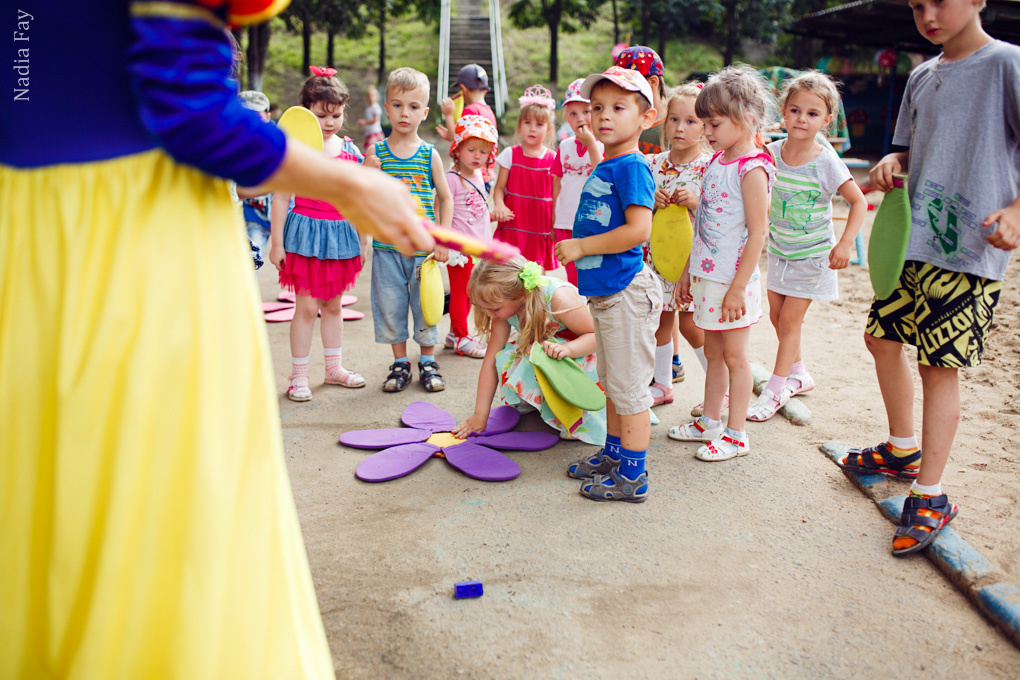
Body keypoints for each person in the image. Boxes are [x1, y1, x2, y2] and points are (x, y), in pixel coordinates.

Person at [0, 1, 430, 676]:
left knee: (50, 483)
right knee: (161, 495)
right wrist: (350, 183)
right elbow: (187, 112)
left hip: (34, 228)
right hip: (135, 230)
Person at [839, 0, 1020, 556]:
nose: (928, 14)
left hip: (970, 247)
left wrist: (1016, 211)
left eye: (940, 0)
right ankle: (901, 449)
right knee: (880, 338)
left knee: (938, 366)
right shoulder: (921, 76)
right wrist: (890, 165)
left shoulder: (1007, 64)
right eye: (918, 4)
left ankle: (931, 493)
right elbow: (905, 152)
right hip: (911, 241)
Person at [555, 66, 663, 502]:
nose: (603, 116)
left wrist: (582, 247)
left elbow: (639, 230)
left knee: (630, 389)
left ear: (645, 118)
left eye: (619, 108)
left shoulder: (632, 166)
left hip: (626, 293)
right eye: (597, 107)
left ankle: (633, 476)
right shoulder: (610, 163)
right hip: (607, 294)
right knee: (615, 383)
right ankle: (615, 454)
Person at [666, 65, 776, 462]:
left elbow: (758, 233)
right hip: (707, 278)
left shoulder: (752, 168)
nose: (706, 131)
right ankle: (710, 421)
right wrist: (686, 273)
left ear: (745, 118)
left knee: (735, 357)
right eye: (706, 123)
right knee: (713, 353)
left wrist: (737, 288)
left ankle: (736, 434)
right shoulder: (717, 161)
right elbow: (702, 225)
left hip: (733, 283)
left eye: (714, 123)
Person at [748, 71, 867, 421]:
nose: (802, 119)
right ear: (783, 112)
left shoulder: (825, 160)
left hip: (813, 256)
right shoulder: (769, 153)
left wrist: (845, 243)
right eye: (795, 110)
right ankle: (799, 373)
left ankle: (775, 389)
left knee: (789, 321)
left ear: (826, 120)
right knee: (776, 317)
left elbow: (858, 201)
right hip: (780, 252)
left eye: (813, 113)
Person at [269, 67, 367, 400]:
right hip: (305, 237)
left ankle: (334, 369)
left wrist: (362, 242)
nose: (329, 122)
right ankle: (298, 375)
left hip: (340, 237)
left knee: (334, 306)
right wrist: (277, 243)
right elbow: (281, 197)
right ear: (306, 111)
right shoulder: (297, 150)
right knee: (307, 308)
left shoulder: (351, 151)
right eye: (321, 115)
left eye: (336, 115)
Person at [365, 67, 454, 393]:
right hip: (387, 249)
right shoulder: (377, 153)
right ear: (386, 108)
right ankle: (400, 363)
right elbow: (363, 195)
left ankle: (428, 362)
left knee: (426, 307)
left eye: (413, 106)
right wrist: (366, 171)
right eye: (398, 105)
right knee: (390, 307)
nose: (405, 113)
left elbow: (446, 198)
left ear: (425, 112)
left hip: (423, 252)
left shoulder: (429, 155)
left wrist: (443, 239)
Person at [452, 257, 607, 445]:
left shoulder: (558, 299)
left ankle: (575, 416)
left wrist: (567, 349)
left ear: (520, 294)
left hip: (584, 350)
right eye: (485, 308)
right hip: (552, 347)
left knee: (540, 355)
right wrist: (479, 415)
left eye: (494, 309)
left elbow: (597, 337)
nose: (489, 314)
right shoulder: (504, 307)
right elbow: (490, 361)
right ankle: (540, 402)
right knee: (506, 357)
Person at [644, 83, 712, 407]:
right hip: (657, 257)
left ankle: (720, 384)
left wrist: (696, 202)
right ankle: (662, 384)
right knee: (659, 319)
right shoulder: (652, 164)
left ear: (705, 126)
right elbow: (638, 209)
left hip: (691, 262)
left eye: (690, 121)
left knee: (690, 325)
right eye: (674, 119)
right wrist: (651, 201)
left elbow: (720, 213)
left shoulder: (709, 167)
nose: (680, 128)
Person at [444, 114, 499, 359]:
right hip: (460, 250)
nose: (477, 156)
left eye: (483, 151)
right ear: (457, 150)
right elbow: (441, 209)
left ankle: (454, 334)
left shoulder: (478, 176)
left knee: (470, 293)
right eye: (471, 149)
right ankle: (461, 336)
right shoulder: (452, 179)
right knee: (461, 293)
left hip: (478, 248)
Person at [492, 85, 558, 271]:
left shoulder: (553, 159)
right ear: (519, 125)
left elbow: (557, 195)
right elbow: (499, 188)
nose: (532, 129)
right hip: (514, 223)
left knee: (536, 275)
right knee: (508, 272)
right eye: (527, 122)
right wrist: (499, 205)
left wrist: (556, 222)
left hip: (540, 225)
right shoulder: (510, 154)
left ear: (549, 129)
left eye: (539, 124)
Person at [550, 78, 604, 287]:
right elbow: (557, 183)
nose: (580, 118)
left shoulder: (604, 145)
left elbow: (601, 175)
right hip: (564, 222)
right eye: (573, 114)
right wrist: (553, 216)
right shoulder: (564, 146)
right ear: (566, 118)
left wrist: (591, 143)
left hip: (591, 221)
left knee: (591, 275)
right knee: (572, 277)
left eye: (586, 111)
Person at [237, 90, 275, 257]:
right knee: (251, 260)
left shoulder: (278, 140)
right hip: (253, 217)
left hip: (283, 216)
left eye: (257, 116)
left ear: (268, 116)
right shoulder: (233, 145)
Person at [614, 45, 668, 155]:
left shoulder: (676, 121)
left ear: (653, 82)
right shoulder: (619, 118)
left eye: (631, 86)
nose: (624, 92)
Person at [437, 63, 498, 139]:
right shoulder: (490, 113)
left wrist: (448, 115)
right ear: (485, 91)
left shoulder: (470, 111)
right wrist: (451, 133)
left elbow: (457, 139)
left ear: (463, 88)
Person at [355, 84, 385, 153]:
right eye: (369, 96)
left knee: (375, 149)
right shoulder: (368, 108)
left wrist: (364, 122)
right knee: (369, 149)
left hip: (375, 132)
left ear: (377, 97)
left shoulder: (376, 107)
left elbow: (375, 120)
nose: (371, 98)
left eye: (373, 96)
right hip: (369, 132)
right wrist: (365, 124)